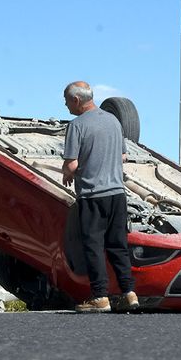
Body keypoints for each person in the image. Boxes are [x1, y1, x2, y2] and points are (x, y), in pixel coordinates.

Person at [62, 81, 138, 313]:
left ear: (76, 100)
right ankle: (129, 293)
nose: (65, 105)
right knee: (118, 245)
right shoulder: (113, 121)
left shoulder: (77, 126)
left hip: (92, 196)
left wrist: (67, 172)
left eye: (66, 100)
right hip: (117, 194)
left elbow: (71, 164)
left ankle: (100, 297)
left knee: (93, 246)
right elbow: (123, 156)